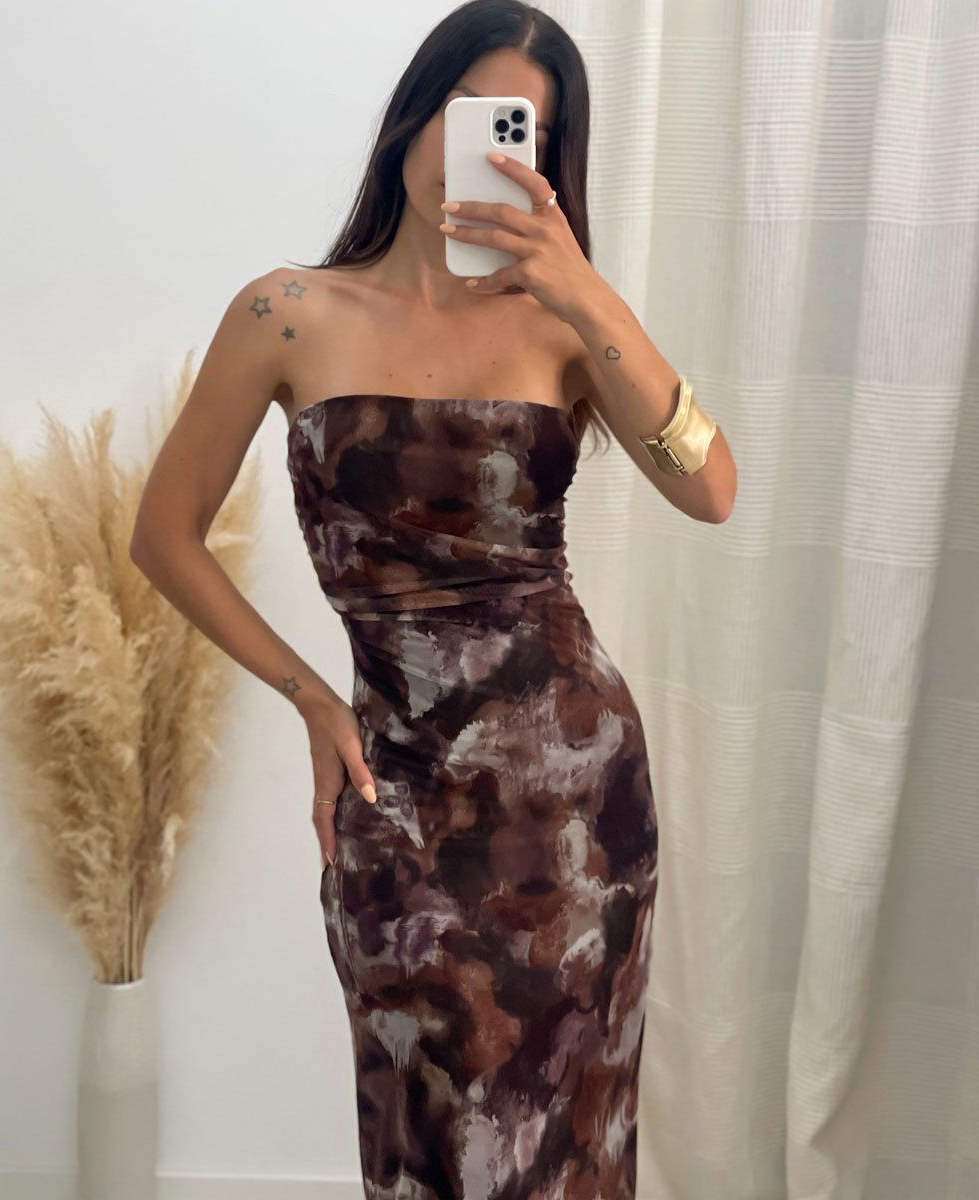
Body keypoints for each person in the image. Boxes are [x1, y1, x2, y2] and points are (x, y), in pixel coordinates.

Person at [131, 2, 735, 1195]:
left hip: (574, 807)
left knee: (569, 1147)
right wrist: (312, 698)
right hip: (397, 792)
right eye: (471, 116)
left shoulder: (562, 328)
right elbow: (163, 536)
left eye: (524, 135)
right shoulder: (285, 313)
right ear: (415, 115)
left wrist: (588, 296)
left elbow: (711, 489)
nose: (486, 153)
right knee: (423, 1137)